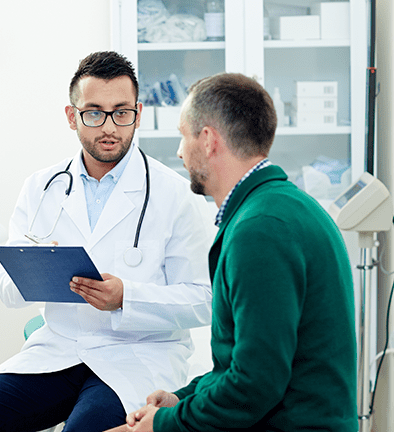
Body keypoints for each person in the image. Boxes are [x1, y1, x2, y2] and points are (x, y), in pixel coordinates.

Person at [0, 51, 216, 432]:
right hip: (61, 349)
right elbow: (4, 286)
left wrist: (127, 298)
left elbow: (205, 299)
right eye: (93, 112)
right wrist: (36, 272)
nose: (109, 127)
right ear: (72, 117)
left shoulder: (174, 193)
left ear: (137, 112)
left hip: (138, 355)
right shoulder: (42, 187)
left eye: (121, 112)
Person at [121, 72, 357, 431]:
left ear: (208, 140)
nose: (180, 151)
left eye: (183, 136)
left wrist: (165, 423)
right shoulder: (283, 206)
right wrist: (181, 399)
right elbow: (241, 364)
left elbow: (254, 384)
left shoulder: (260, 230)